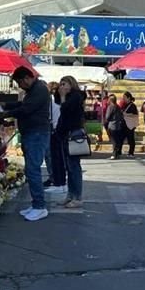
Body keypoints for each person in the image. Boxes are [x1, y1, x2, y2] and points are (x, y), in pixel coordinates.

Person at [0, 66, 51, 222]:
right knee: (31, 169)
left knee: (33, 170)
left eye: (20, 83)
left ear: (27, 78)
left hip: (37, 134)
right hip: (31, 133)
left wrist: (6, 113)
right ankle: (35, 204)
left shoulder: (40, 89)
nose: (20, 86)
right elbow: (22, 104)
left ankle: (40, 207)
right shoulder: (33, 91)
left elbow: (27, 109)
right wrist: (7, 105)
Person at [54, 75, 85, 208]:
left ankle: (77, 197)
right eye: (61, 84)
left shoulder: (76, 96)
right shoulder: (66, 96)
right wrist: (59, 93)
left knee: (74, 167)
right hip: (65, 134)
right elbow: (57, 102)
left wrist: (63, 97)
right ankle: (70, 195)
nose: (62, 86)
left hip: (74, 133)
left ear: (71, 84)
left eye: (64, 84)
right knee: (69, 167)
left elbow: (65, 108)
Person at [44, 82, 66, 195]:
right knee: (58, 157)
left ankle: (57, 180)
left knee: (53, 157)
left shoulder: (51, 101)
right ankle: (59, 181)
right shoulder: (59, 100)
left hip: (53, 130)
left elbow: (49, 116)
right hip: (59, 129)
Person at [120, 91, 139, 157]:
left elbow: (135, 114)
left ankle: (131, 152)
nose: (123, 99)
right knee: (121, 139)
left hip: (130, 125)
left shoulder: (132, 105)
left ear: (129, 98)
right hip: (124, 125)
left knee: (131, 139)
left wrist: (126, 114)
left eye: (125, 97)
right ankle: (118, 152)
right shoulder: (124, 105)